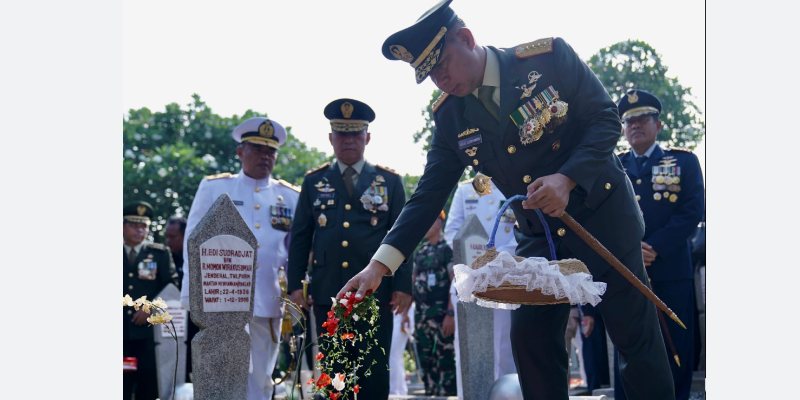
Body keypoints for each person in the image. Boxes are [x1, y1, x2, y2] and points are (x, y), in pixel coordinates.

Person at [338, 1, 676, 399]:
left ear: (466, 39)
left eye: (442, 64)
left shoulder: (549, 59)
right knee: (531, 340)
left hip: (601, 217)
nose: (440, 80)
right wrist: (379, 267)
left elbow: (605, 118)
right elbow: (428, 196)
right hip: (540, 234)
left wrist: (566, 179)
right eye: (429, 75)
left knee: (633, 337)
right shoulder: (450, 117)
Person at [287, 98, 412, 400]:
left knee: (373, 370)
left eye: (356, 134)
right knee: (334, 372)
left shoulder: (389, 181)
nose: (349, 141)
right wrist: (294, 285)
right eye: (342, 134)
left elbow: (403, 235)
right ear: (331, 138)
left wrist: (403, 285)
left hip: (376, 292)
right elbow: (300, 237)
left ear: (367, 137)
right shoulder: (314, 182)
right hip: (329, 290)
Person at [179, 117, 300, 400]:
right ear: (240, 152)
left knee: (262, 377)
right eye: (257, 149)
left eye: (270, 151)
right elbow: (191, 243)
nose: (265, 156)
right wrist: (190, 293)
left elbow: (295, 251)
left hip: (269, 297)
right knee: (223, 373)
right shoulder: (214, 188)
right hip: (222, 296)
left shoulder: (290, 196)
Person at [615, 89, 705, 400]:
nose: (635, 126)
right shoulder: (613, 167)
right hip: (627, 272)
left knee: (674, 349)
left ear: (659, 125)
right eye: (628, 121)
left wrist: (654, 247)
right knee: (630, 347)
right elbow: (602, 216)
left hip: (669, 271)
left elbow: (693, 210)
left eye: (642, 119)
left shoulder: (683, 162)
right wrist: (630, 249)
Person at [443, 179, 517, 392]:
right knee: (468, 350)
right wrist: (475, 258)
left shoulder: (514, 180)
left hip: (505, 278)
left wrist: (499, 260)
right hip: (470, 278)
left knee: (503, 349)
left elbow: (521, 232)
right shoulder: (467, 188)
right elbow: (453, 231)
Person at [123, 201, 178, 400]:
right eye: (134, 225)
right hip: (121, 336)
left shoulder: (159, 254)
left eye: (144, 226)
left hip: (148, 335)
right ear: (122, 226)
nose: (140, 230)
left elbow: (171, 287)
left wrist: (150, 308)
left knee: (147, 384)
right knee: (123, 382)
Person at [412, 211, 457, 396]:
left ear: (439, 222)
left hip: (440, 316)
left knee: (444, 360)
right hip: (422, 316)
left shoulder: (447, 249)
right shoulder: (421, 251)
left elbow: (455, 284)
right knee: (425, 359)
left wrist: (450, 314)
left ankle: (446, 394)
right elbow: (413, 281)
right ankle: (430, 392)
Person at [388, 302, 415, 395]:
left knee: (393, 355)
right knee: (394, 356)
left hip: (402, 314)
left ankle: (395, 390)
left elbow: (409, 292)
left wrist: (405, 314)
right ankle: (399, 390)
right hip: (394, 313)